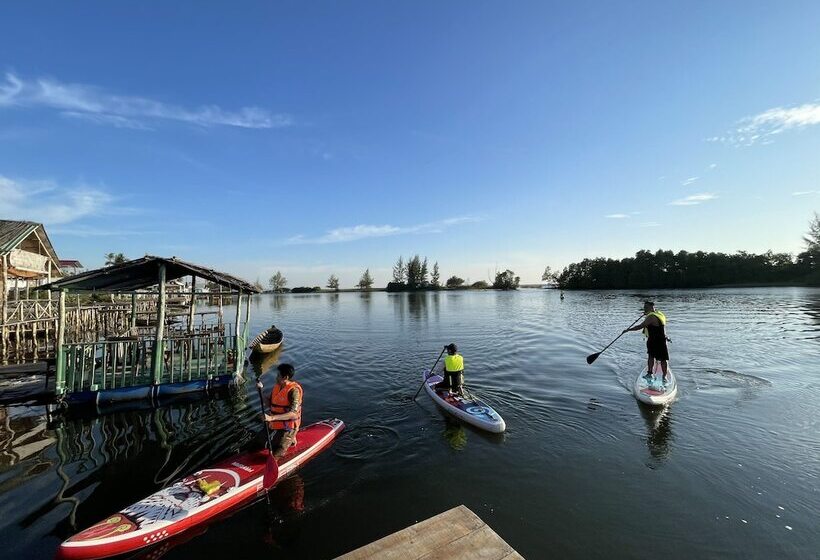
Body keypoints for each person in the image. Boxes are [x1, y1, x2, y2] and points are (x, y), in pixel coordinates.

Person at [256, 363, 303, 458]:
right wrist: (260, 391)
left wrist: (271, 418)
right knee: (258, 443)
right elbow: (270, 404)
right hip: (275, 423)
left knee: (276, 453)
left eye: (278, 375)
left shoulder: (294, 391)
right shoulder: (277, 387)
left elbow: (293, 414)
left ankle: (290, 437)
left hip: (288, 426)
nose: (276, 377)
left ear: (285, 377)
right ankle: (290, 439)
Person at [623, 301, 669, 382]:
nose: (644, 309)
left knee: (652, 357)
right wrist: (647, 314)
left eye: (646, 307)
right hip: (662, 339)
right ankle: (663, 377)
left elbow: (641, 326)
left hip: (654, 340)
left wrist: (628, 330)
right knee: (661, 358)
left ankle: (651, 374)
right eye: (644, 307)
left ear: (651, 307)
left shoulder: (651, 317)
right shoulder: (659, 313)